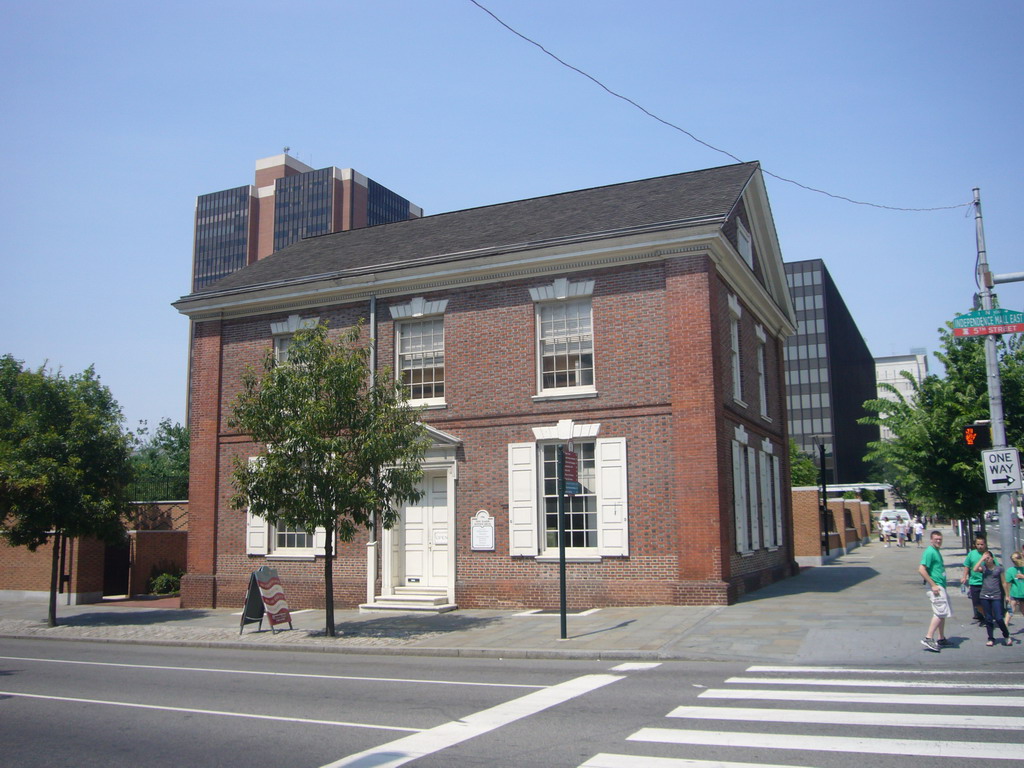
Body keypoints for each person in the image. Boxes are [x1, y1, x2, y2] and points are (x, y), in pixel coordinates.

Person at [919, 530, 951, 652]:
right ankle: (928, 637)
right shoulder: (930, 552)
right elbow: (921, 569)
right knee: (939, 612)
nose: (938, 541)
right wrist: (933, 585)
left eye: (940, 539)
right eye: (936, 539)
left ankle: (941, 638)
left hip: (940, 585)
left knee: (942, 613)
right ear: (931, 540)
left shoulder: (936, 551)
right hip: (935, 587)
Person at [973, 548, 1012, 646]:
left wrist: (1007, 595)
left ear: (992, 558)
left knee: (999, 617)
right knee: (988, 618)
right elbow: (975, 569)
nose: (987, 560)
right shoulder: (984, 568)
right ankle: (990, 638)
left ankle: (1006, 635)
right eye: (986, 558)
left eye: (988, 558)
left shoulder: (999, 568)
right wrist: (982, 559)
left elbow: (1004, 582)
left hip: (996, 595)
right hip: (985, 595)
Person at [962, 535, 991, 625]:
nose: (980, 546)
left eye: (982, 544)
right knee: (976, 603)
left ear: (985, 544)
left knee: (986, 601)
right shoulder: (972, 554)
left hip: (986, 582)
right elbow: (967, 565)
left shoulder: (988, 554)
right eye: (978, 544)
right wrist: (964, 576)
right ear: (975, 545)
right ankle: (987, 615)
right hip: (974, 582)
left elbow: (995, 566)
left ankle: (988, 617)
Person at [1005, 552, 1024, 630]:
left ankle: (1005, 624)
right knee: (1011, 610)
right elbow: (1007, 583)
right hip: (1015, 593)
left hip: (1021, 593)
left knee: (1023, 610)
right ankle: (1005, 625)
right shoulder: (1011, 570)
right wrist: (1007, 595)